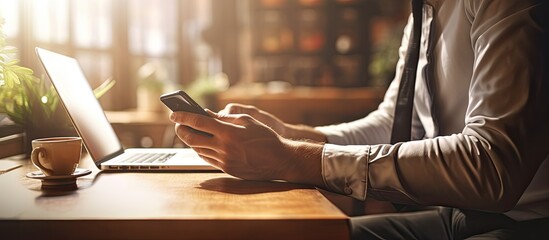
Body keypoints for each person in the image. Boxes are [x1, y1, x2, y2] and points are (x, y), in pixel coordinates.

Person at [169, 0, 549, 238]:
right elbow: (398, 124)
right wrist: (294, 135)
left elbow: (492, 168)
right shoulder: (425, 14)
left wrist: (289, 157)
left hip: (524, 224)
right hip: (454, 215)